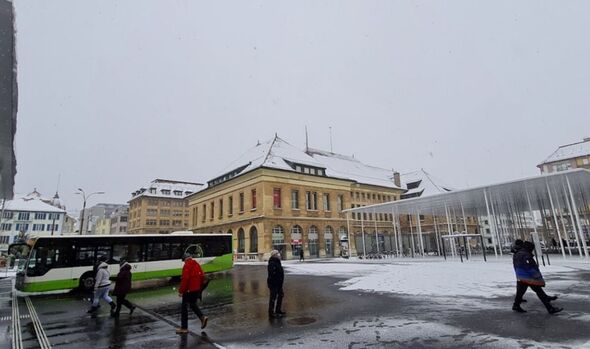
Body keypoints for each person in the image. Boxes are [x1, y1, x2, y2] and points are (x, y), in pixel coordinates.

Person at [512, 241, 562, 314]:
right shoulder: (526, 255)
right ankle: (550, 308)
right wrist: (537, 277)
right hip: (528, 277)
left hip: (521, 275)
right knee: (539, 291)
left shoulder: (517, 254)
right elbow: (530, 268)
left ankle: (516, 305)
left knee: (521, 292)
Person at [176, 253, 208, 334]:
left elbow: (185, 280)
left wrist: (181, 291)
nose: (184, 262)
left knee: (184, 308)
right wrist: (199, 287)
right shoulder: (196, 264)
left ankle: (184, 328)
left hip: (189, 290)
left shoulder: (187, 266)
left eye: (184, 261)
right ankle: (202, 318)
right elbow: (202, 276)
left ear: (185, 259)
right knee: (193, 304)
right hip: (196, 289)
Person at [267, 250, 285, 318]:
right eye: (277, 254)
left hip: (279, 283)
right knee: (273, 298)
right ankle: (271, 313)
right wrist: (275, 282)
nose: (279, 255)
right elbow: (272, 274)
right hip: (274, 284)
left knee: (280, 296)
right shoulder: (272, 262)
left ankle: (278, 310)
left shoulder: (277, 261)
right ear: (274, 255)